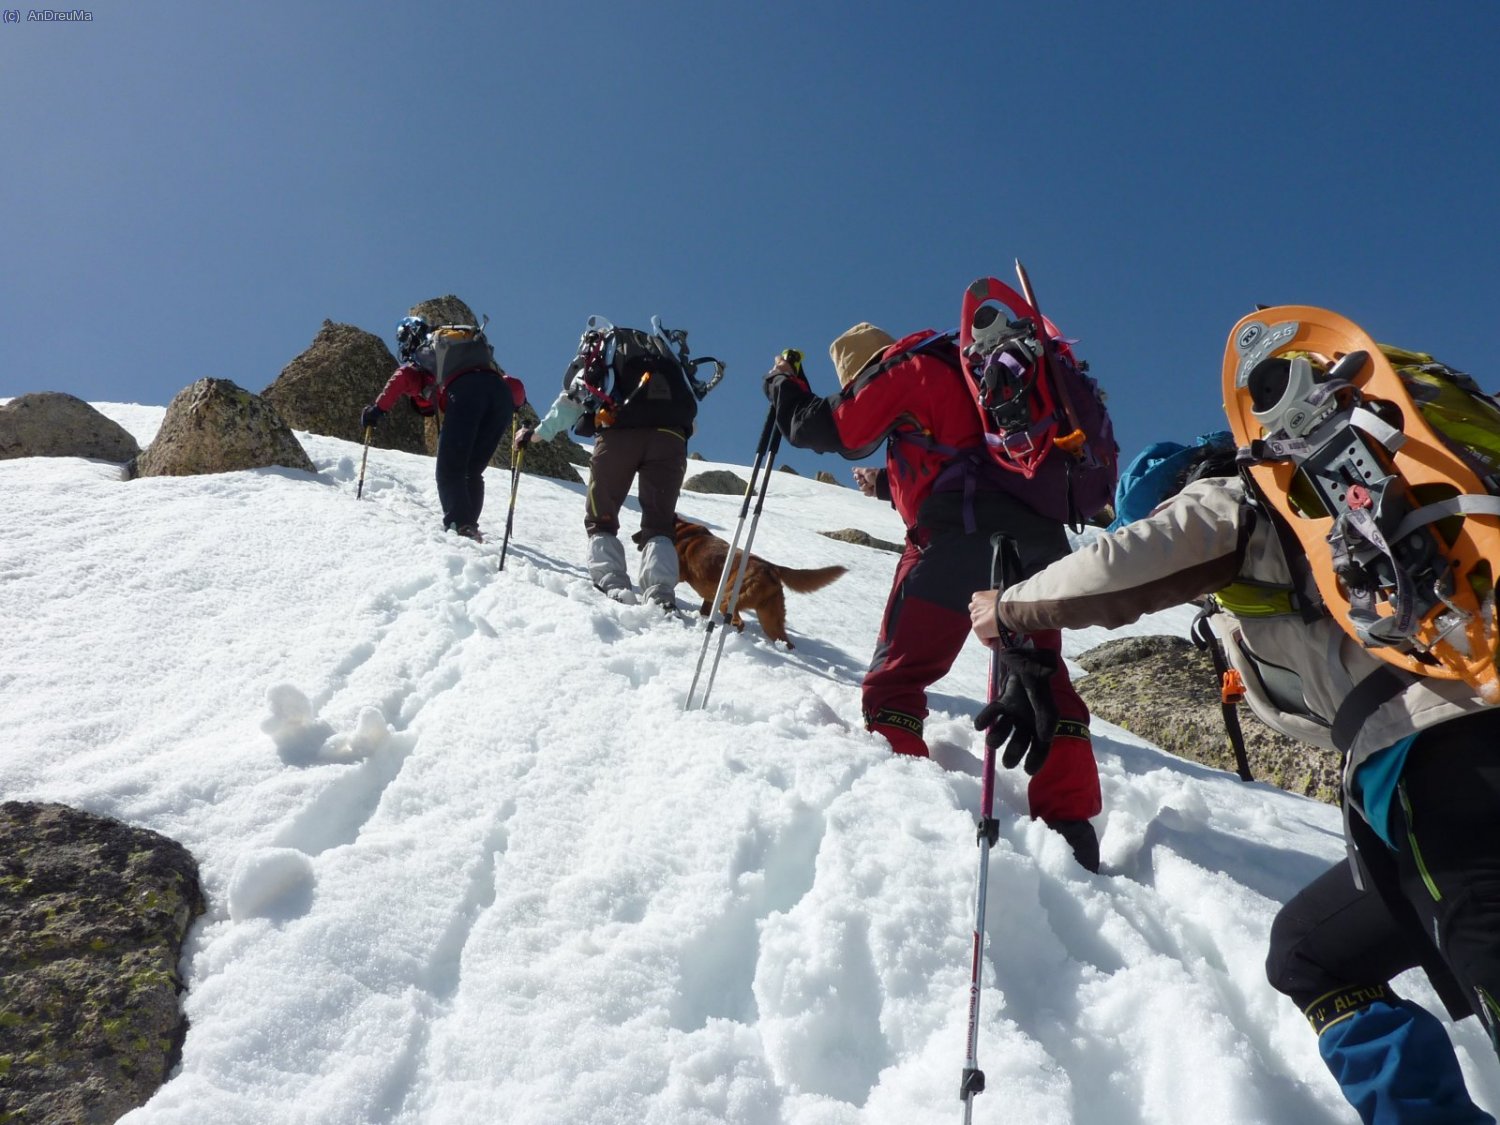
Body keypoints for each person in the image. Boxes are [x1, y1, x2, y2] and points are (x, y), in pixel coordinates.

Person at [968, 440, 1500, 1124]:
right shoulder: (1309, 551)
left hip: (1446, 758)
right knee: (1311, 954)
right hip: (1424, 776)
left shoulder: (1235, 494)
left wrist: (1011, 606)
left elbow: (1133, 560)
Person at [762, 322, 1102, 872]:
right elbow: (961, 457)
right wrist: (884, 483)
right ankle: (1072, 827)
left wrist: (784, 385)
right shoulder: (972, 374)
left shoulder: (904, 367)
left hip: (956, 547)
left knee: (897, 680)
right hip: (1038, 544)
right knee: (1036, 676)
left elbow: (827, 428)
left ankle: (901, 803)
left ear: (862, 370)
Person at [515, 322, 696, 609]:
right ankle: (661, 593)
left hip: (618, 435)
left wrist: (533, 435)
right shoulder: (663, 360)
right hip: (670, 438)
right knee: (660, 523)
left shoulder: (601, 355)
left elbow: (571, 402)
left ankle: (612, 581)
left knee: (601, 515)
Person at [361, 316, 525, 542]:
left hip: (466, 393)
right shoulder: (465, 350)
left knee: (450, 470)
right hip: (501, 397)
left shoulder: (425, 359)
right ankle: (469, 525)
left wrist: (376, 410)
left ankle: (461, 525)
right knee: (471, 471)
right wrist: (515, 402)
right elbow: (514, 386)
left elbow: (402, 378)